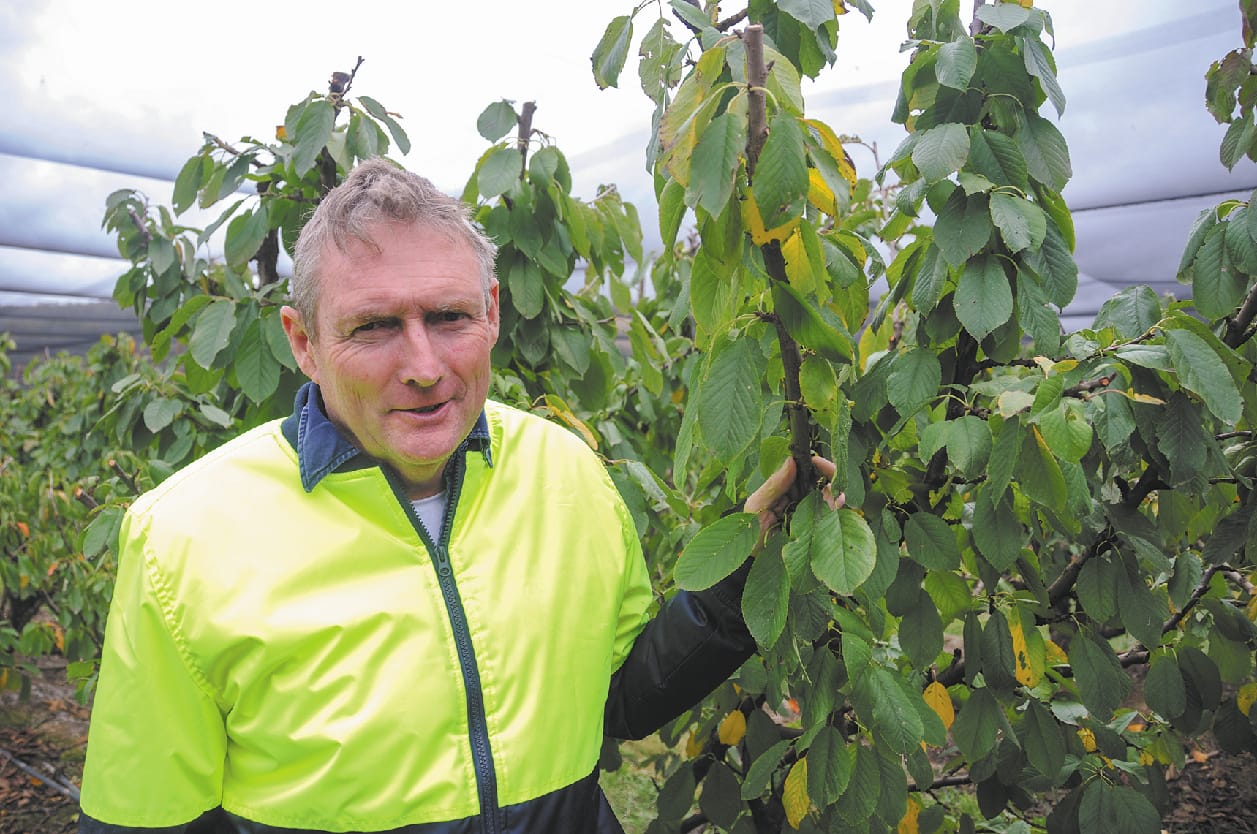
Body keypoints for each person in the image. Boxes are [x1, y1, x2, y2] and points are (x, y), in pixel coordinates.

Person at [77, 158, 821, 834]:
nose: (426, 366)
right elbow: (146, 818)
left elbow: (619, 698)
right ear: (301, 342)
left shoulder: (565, 473)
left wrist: (742, 572)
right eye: (373, 327)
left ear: (492, 312)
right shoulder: (183, 536)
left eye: (449, 317)